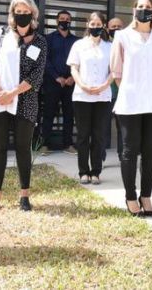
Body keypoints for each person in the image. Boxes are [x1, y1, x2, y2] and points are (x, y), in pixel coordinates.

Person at [0, 0, 47, 213]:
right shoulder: (0, 35)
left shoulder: (39, 41)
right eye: (17, 12)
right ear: (12, 14)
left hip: (25, 101)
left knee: (22, 149)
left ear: (33, 14)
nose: (21, 16)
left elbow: (37, 76)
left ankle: (24, 196)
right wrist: (0, 91)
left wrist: (13, 93)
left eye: (25, 12)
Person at [111, 0, 152, 217]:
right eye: (141, 6)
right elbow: (117, 71)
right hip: (130, 101)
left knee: (149, 151)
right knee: (129, 150)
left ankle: (146, 195)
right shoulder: (122, 36)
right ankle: (130, 196)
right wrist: (131, 89)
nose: (145, 10)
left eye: (149, 7)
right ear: (134, 10)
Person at [68, 12, 113, 185]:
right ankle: (83, 171)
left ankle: (96, 172)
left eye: (98, 23)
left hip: (103, 96)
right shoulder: (78, 45)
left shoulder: (110, 46)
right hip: (82, 96)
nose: (95, 26)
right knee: (83, 135)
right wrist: (83, 85)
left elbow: (114, 71)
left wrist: (103, 86)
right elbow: (74, 69)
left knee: (99, 135)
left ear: (103, 25)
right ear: (87, 25)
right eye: (92, 23)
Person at [41, 10, 79, 154]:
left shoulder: (76, 41)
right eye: (62, 19)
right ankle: (45, 144)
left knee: (69, 114)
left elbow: (78, 61)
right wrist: (57, 77)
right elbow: (45, 60)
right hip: (52, 82)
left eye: (67, 19)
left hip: (70, 83)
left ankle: (68, 144)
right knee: (49, 113)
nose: (65, 21)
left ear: (70, 22)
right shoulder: (48, 39)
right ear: (57, 21)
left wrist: (71, 77)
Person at [105, 17, 125, 160]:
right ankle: (99, 156)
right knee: (101, 126)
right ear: (107, 29)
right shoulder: (103, 45)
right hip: (105, 92)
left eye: (119, 26)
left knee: (122, 127)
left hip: (121, 92)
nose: (116, 29)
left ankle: (122, 155)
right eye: (113, 26)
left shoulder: (127, 46)